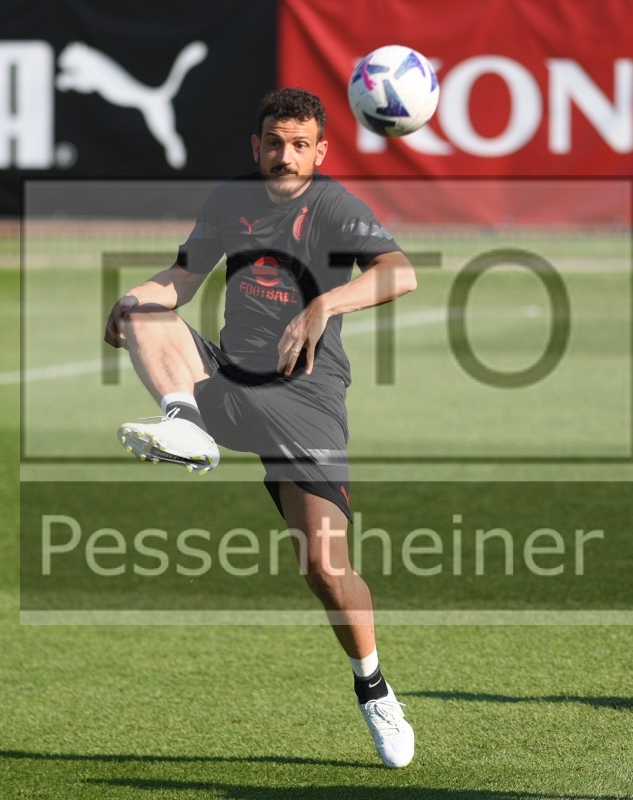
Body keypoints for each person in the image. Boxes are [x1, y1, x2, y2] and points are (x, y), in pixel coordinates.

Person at [104, 88, 417, 768]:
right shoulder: (228, 198)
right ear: (256, 147)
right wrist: (135, 300)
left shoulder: (332, 204)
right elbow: (183, 279)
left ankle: (374, 689)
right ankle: (186, 423)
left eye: (299, 143)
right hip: (229, 380)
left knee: (326, 570)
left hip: (304, 396)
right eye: (274, 142)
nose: (285, 155)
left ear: (320, 150)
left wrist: (323, 305)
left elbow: (400, 274)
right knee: (144, 315)